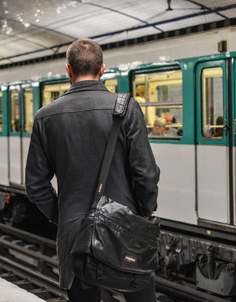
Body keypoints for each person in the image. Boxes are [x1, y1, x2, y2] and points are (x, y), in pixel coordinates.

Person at [25, 38, 160, 302]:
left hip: (76, 235)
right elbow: (146, 174)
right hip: (126, 229)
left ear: (68, 70)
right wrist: (141, 212)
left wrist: (65, 215)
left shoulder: (45, 116)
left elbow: (36, 186)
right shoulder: (126, 108)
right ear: (102, 69)